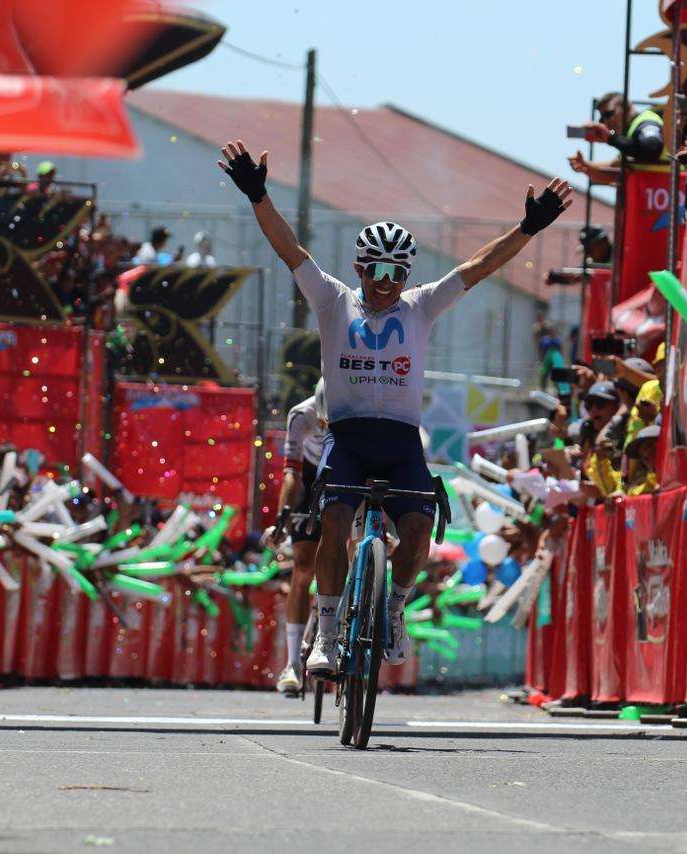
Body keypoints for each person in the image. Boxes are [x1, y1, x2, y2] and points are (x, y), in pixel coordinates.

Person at [217, 138, 572, 677]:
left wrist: (528, 229)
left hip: (402, 439)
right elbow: (291, 249)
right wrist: (258, 196)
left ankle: (395, 608)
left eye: (396, 274)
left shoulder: (421, 306)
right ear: (359, 268)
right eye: (375, 272)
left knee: (416, 533)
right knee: (334, 518)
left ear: (407, 276)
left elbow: (477, 267)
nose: (385, 285)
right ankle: (329, 634)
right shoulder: (332, 299)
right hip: (349, 437)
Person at [266, 380, 328, 697]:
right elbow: (291, 473)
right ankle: (291, 663)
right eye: (322, 419)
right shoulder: (300, 414)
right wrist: (282, 516)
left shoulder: (357, 410)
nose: (324, 425)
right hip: (310, 473)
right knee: (304, 567)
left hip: (344, 470)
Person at [567, 92, 668, 187]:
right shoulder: (629, 137)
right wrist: (584, 166)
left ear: (626, 107)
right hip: (654, 196)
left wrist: (610, 139)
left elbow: (651, 149)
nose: (605, 122)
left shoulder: (646, 121)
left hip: (665, 192)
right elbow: (612, 172)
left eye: (608, 114)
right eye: (602, 119)